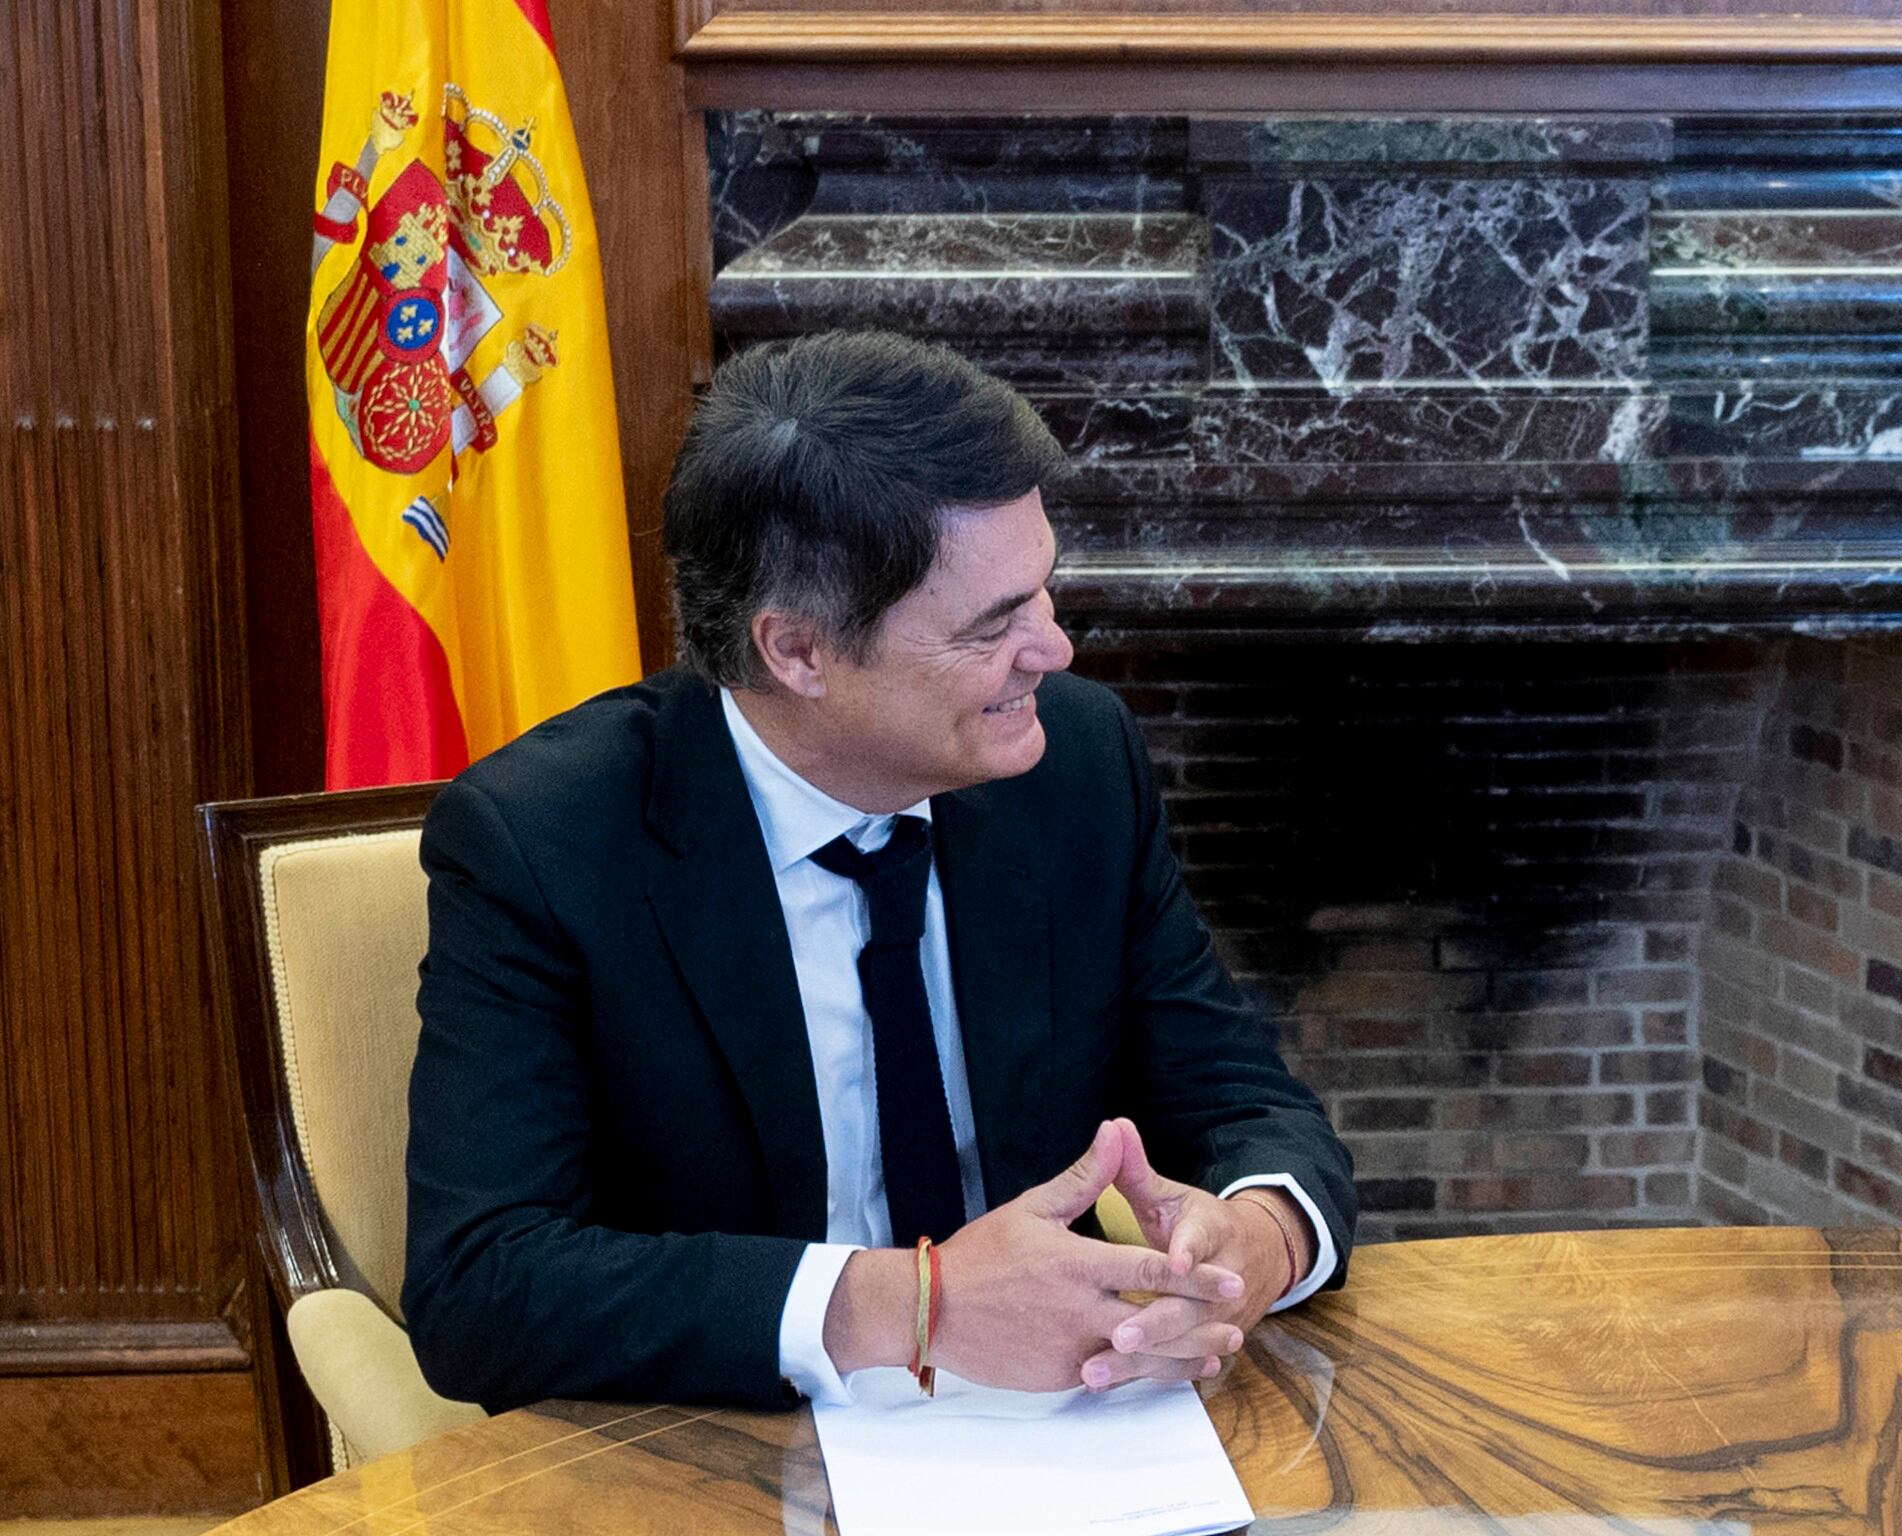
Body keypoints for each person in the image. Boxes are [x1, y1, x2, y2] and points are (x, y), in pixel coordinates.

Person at [404, 329, 1355, 1412]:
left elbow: (1241, 1097)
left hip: (1058, 1426)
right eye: (993, 625)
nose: (1054, 649)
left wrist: (1257, 1244)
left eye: (1043, 592)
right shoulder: (545, 840)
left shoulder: (1076, 768)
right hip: (713, 1448)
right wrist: (915, 1305)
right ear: (798, 651)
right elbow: (480, 1284)